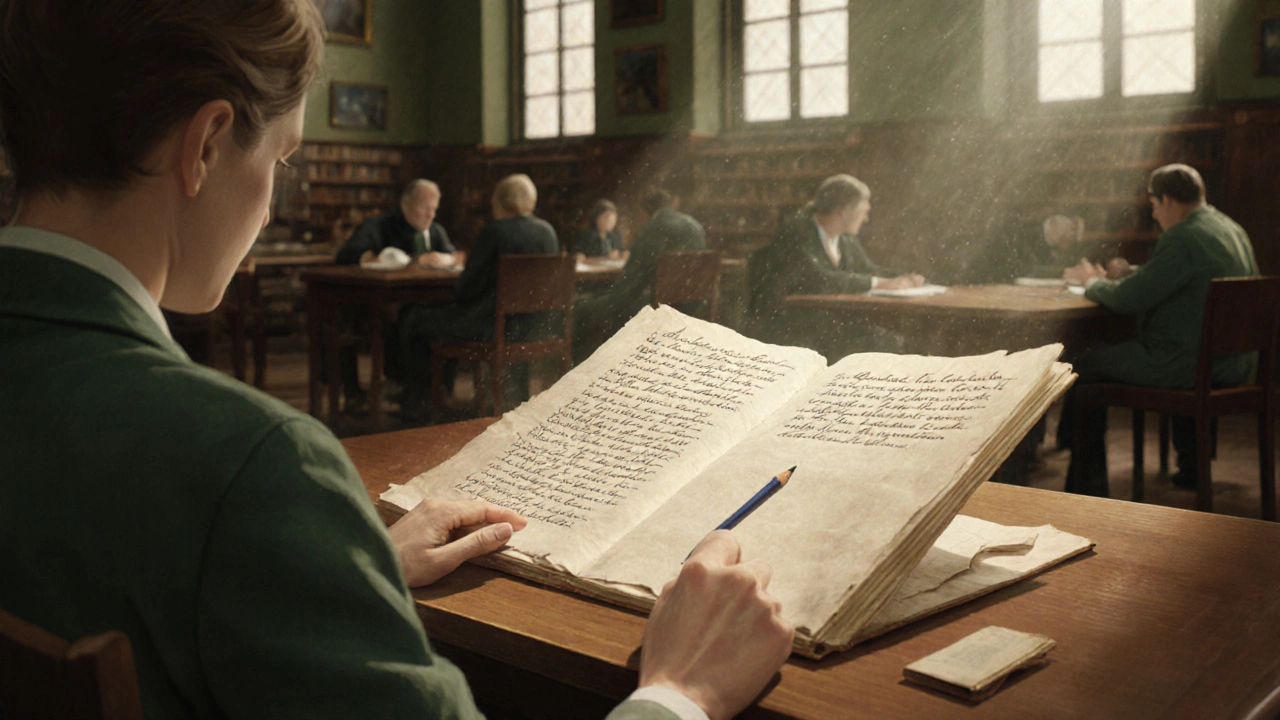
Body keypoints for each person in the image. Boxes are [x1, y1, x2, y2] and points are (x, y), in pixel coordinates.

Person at [0, 3, 793, 719]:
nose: (272, 199)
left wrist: (332, 570)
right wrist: (679, 693)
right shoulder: (248, 466)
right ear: (206, 144)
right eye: (280, 160)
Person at [1059, 164, 1260, 497]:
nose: (1153, 214)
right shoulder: (1229, 228)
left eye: (1153, 205)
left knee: (1082, 365)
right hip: (1236, 363)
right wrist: (1130, 272)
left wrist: (1090, 282)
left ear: (1167, 200)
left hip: (1188, 366)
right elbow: (1175, 277)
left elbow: (1130, 298)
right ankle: (1193, 466)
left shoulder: (1183, 235)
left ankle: (1086, 490)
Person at [398, 173, 560, 415]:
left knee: (414, 318)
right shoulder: (548, 232)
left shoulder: (495, 231)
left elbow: (466, 289)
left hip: (492, 328)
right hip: (533, 327)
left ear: (502, 201)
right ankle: (442, 395)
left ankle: (419, 406)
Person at [748, 174, 924, 356]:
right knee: (878, 341)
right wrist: (877, 283)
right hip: (788, 328)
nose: (866, 219)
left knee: (884, 338)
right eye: (863, 211)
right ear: (844, 210)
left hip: (823, 324)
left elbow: (868, 270)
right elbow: (817, 278)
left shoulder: (845, 239)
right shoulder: (798, 232)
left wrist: (905, 277)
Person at [333, 178, 459, 410]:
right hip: (381, 307)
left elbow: (453, 255)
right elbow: (347, 253)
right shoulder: (380, 226)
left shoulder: (436, 231)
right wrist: (371, 259)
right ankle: (409, 392)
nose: (430, 216)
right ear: (406, 204)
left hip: (426, 307)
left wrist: (447, 259)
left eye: (434, 210)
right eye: (424, 208)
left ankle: (430, 393)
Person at [574, 187, 706, 361]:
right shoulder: (694, 226)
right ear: (670, 203)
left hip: (661, 310)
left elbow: (630, 285)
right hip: (693, 306)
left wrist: (602, 300)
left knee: (583, 309)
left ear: (646, 211)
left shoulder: (652, 229)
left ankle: (597, 370)